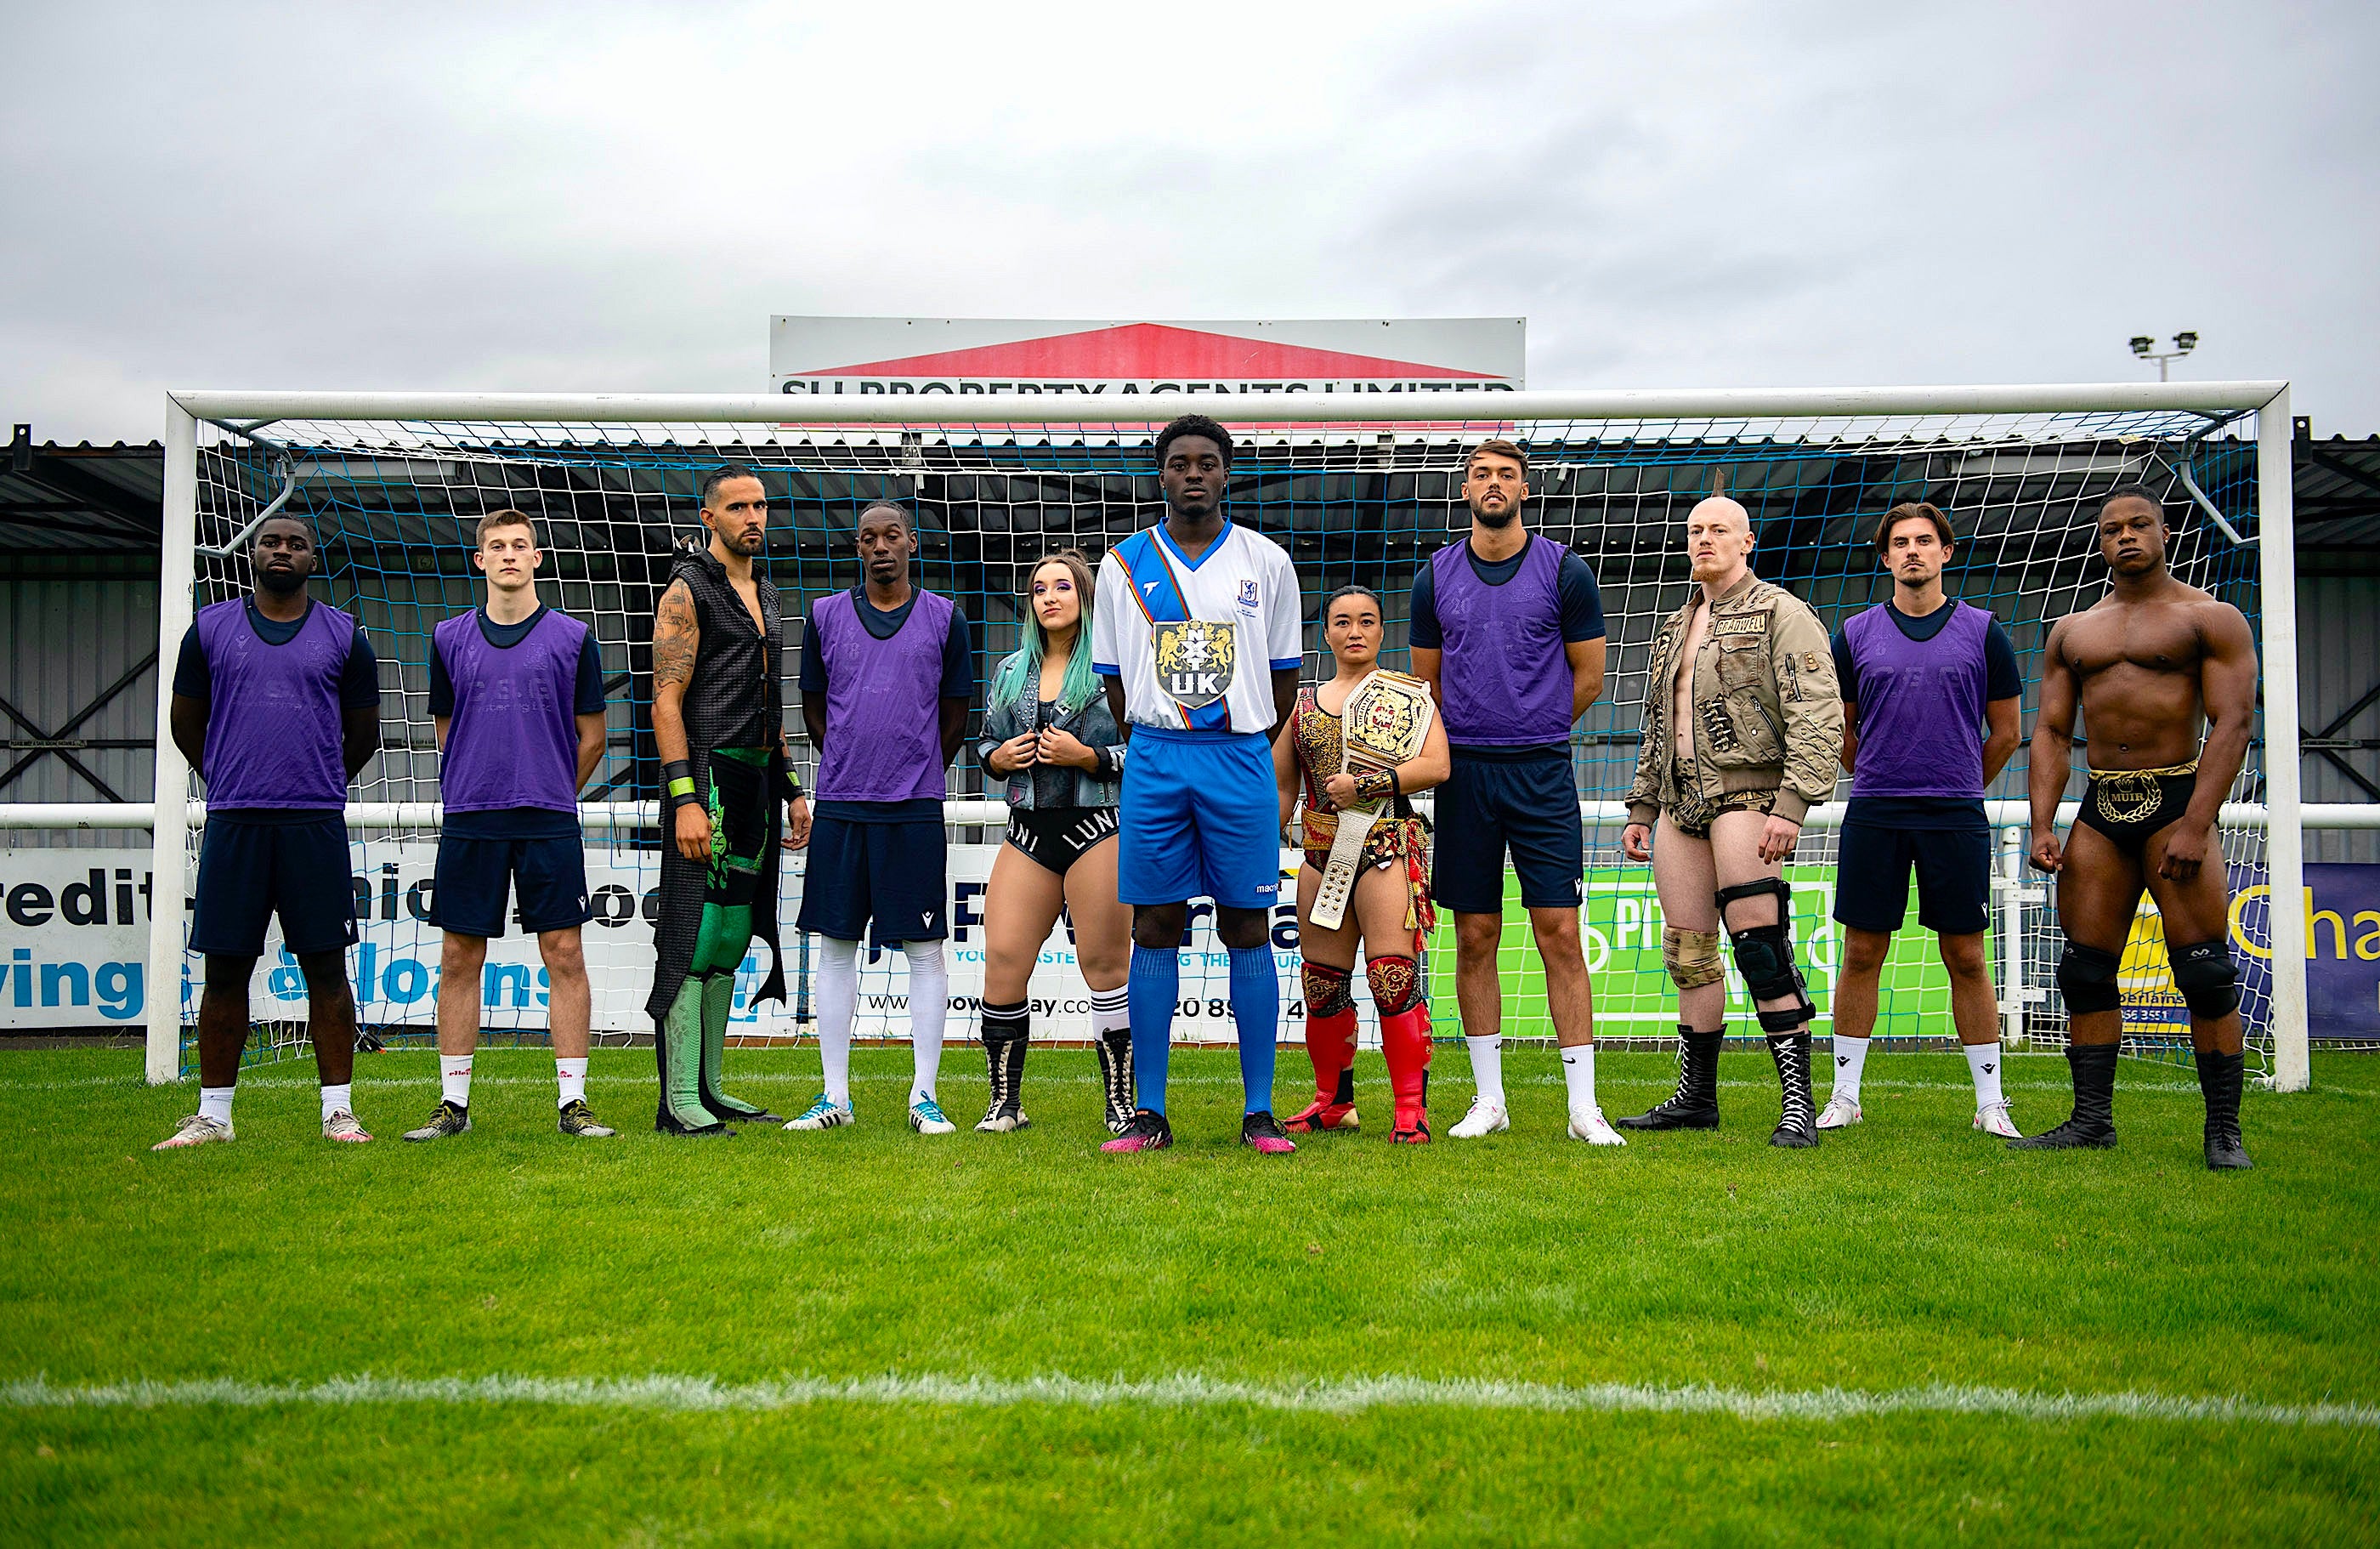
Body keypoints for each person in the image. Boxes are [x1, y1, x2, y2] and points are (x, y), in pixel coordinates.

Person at [2015, 487, 2258, 1170]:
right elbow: (2053, 731)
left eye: (2139, 525)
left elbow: (2233, 724)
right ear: (2100, 542)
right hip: (2102, 805)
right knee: (2085, 972)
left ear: (2165, 531)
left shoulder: (2211, 619)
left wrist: (2197, 824)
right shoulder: (2073, 631)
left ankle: (2224, 1133)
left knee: (2205, 974)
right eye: (2112, 529)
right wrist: (2041, 823)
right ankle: (2091, 1120)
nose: (2126, 537)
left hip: (2177, 802)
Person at [1091, 414, 1304, 1155]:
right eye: (1178, 462)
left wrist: (1234, 736)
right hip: (1155, 758)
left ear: (1225, 474)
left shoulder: (1268, 562)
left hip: (1240, 759)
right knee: (1154, 924)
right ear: (1160, 475)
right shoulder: (1121, 567)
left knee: (1248, 926)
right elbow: (1115, 685)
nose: (1193, 474)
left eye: (1206, 462)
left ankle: (1258, 1112)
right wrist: (1162, 734)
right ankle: (1149, 1113)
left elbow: (1284, 680)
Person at [1409, 439, 1623, 1144]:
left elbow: (1587, 679)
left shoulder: (1565, 571)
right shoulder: (1435, 577)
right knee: (1475, 934)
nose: (1493, 484)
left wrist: (1529, 728)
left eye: (1506, 475)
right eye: (1480, 474)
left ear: (1525, 490)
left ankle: (1582, 1107)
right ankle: (1489, 1099)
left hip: (1541, 774)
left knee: (1559, 931)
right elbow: (1428, 687)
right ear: (1464, 490)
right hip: (1465, 775)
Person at [1618, 496, 1843, 1148]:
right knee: (1688, 954)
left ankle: (1798, 1107)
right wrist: (1642, 807)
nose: (1704, 539)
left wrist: (1792, 805)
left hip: (1750, 798)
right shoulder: (1672, 626)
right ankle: (1696, 1098)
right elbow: (1658, 726)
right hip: (1680, 805)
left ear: (1747, 542)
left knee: (1761, 952)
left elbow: (1818, 712)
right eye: (1695, 530)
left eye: (1719, 530)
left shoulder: (1784, 613)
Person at [154, 515, 382, 1149]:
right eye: (271, 542)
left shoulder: (344, 636)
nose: (282, 550)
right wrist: (228, 774)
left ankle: (338, 1111)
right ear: (253, 554)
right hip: (236, 821)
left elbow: (363, 735)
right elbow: (185, 724)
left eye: (296, 544)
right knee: (226, 969)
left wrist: (318, 778)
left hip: (313, 823)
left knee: (326, 969)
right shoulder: (209, 631)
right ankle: (213, 1116)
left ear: (314, 559)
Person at [401, 509, 615, 1142]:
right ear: (481, 560)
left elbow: (594, 737)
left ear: (538, 558)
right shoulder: (447, 638)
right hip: (473, 817)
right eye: (497, 546)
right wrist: (484, 780)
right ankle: (453, 1105)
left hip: (548, 818)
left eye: (521, 545)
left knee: (566, 953)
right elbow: (447, 732)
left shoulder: (574, 638)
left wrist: (547, 787)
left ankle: (573, 1103)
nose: (509, 555)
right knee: (459, 954)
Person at [1821, 502, 2026, 1138]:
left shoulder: (1984, 631)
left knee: (1965, 955)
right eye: (1901, 543)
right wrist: (1881, 772)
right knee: (1861, 952)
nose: (1913, 551)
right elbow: (1841, 729)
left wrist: (1958, 781)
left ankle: (1991, 1102)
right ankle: (1846, 1096)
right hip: (1876, 811)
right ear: (1885, 558)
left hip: (1955, 813)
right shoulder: (1853, 634)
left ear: (1945, 553)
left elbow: (2008, 732)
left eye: (1925, 541)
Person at [786, 502, 973, 1137]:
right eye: (869, 538)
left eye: (892, 535)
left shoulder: (946, 619)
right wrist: (849, 760)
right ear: (858, 549)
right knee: (834, 948)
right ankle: (834, 1096)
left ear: (912, 543)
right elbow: (814, 709)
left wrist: (916, 768)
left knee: (925, 950)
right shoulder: (823, 615)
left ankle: (924, 1095)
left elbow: (955, 717)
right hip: (842, 805)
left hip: (914, 809)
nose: (881, 547)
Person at [645, 465, 812, 1137]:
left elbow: (770, 708)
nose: (754, 516)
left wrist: (794, 788)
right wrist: (685, 798)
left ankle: (710, 1089)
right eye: (738, 506)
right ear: (708, 517)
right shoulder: (687, 590)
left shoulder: (767, 591)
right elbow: (664, 700)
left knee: (735, 935)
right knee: (693, 935)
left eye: (761, 505)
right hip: (706, 780)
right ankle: (676, 1099)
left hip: (757, 784)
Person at [1275, 585, 1451, 1141]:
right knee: (1321, 983)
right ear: (1325, 633)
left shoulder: (1408, 697)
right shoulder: (1300, 706)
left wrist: (1370, 784)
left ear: (1380, 632)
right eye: (1343, 622)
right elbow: (1282, 786)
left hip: (1383, 849)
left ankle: (1410, 1109)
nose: (1355, 631)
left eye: (1367, 622)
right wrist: (1261, 839)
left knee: (1391, 978)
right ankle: (1334, 1102)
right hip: (1321, 856)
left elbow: (1438, 765)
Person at [976, 550, 1133, 1133]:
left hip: (1096, 829)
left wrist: (1088, 757)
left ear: (1085, 596)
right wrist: (997, 758)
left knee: (1105, 967)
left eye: (1062, 586)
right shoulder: (1010, 668)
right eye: (1039, 588)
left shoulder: (1115, 670)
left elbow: (1148, 751)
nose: (1049, 597)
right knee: (1004, 960)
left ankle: (1120, 1102)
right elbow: (984, 742)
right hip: (1027, 833)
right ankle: (1004, 1104)